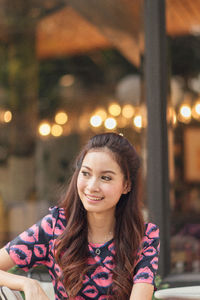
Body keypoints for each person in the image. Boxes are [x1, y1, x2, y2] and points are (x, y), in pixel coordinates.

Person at [0, 132, 160, 300]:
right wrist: (28, 284)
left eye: (105, 178)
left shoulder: (143, 237)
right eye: (85, 173)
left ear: (126, 185)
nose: (92, 187)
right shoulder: (56, 226)